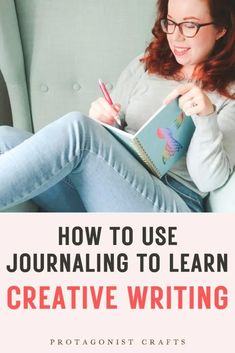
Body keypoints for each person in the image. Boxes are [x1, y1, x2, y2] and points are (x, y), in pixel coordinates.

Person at [0, 0, 234, 212]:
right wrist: (103, 121)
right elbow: (112, 130)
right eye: (170, 23)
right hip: (112, 190)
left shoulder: (229, 93)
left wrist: (206, 119)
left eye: (190, 25)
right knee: (4, 137)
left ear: (221, 28)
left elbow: (209, 181)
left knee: (79, 128)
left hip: (171, 202)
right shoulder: (148, 64)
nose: (176, 36)